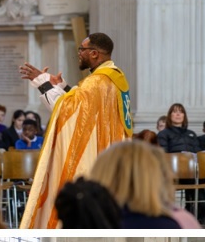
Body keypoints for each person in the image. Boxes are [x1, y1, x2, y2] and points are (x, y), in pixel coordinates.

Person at [18, 32, 133, 228]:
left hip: (94, 157)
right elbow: (87, 106)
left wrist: (42, 82)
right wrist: (62, 86)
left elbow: (68, 113)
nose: (78, 53)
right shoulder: (114, 77)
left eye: (82, 50)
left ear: (95, 53)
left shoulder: (96, 82)